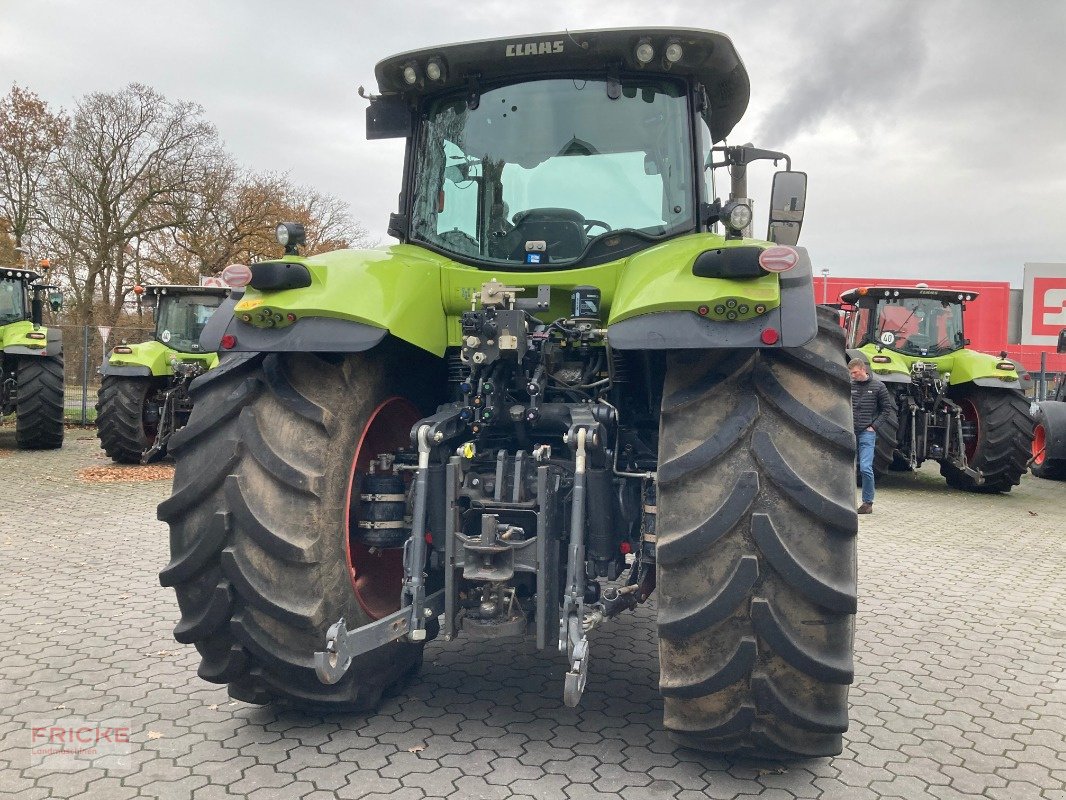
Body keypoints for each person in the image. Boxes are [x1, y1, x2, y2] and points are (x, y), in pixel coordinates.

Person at [849, 358, 896, 515]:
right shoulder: (850, 386)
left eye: (855, 372)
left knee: (866, 467)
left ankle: (867, 503)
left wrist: (874, 427)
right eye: (851, 373)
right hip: (850, 432)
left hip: (866, 433)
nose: (853, 376)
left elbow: (886, 409)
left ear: (863, 369)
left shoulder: (878, 387)